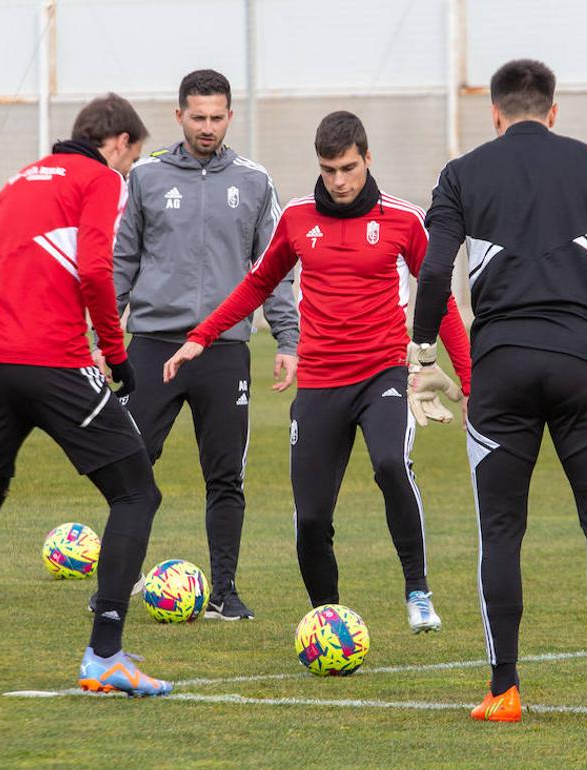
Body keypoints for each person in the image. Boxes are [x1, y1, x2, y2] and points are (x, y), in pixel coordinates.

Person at [408, 59, 587, 723]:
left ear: (494, 114)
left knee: (499, 532)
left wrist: (422, 358)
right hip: (586, 366)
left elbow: (435, 267)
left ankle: (503, 692)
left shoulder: (462, 173)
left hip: (500, 370)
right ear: (553, 111)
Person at [162, 111, 471, 633]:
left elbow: (440, 303)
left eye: (349, 167)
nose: (340, 181)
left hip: (384, 375)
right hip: (321, 382)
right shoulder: (298, 218)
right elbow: (257, 284)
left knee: (391, 464)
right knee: (309, 519)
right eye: (329, 170)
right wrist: (201, 336)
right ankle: (329, 617)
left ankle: (418, 590)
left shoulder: (403, 220)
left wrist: (472, 380)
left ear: (367, 159)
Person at [0, 94, 171, 698]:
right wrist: (115, 352)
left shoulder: (17, 181)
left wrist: (0, 339)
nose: (127, 172)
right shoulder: (101, 178)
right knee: (136, 491)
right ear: (121, 144)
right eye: (130, 160)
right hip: (53, 362)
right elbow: (97, 270)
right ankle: (105, 654)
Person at [103, 69, 299, 621]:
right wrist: (102, 335)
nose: (207, 127)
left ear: (230, 117)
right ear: (179, 116)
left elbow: (275, 269)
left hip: (225, 349)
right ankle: (116, 586)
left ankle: (225, 592)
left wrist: (288, 337)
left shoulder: (256, 182)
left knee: (225, 475)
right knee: (130, 465)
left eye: (217, 117)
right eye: (198, 117)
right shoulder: (143, 178)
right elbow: (121, 263)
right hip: (152, 348)